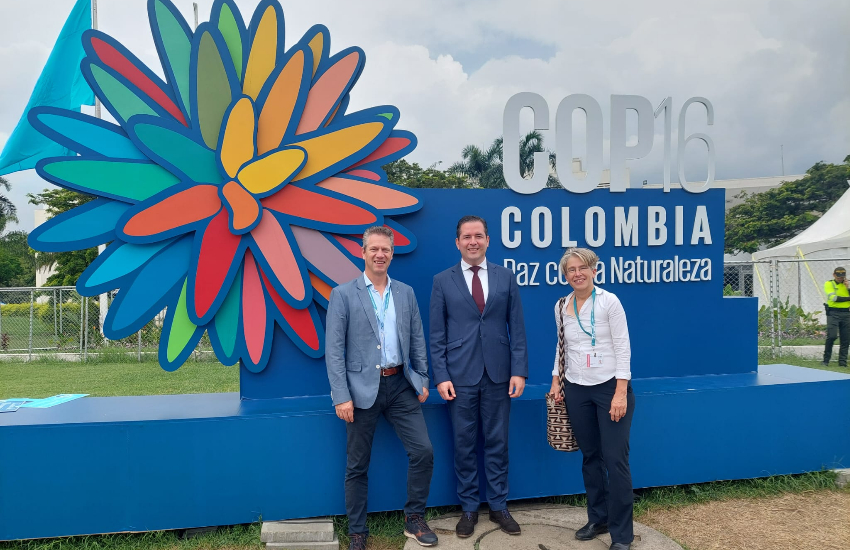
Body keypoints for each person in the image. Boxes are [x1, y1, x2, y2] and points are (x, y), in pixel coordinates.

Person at [325, 226, 438, 549]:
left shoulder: (405, 293)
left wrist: (423, 378)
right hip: (360, 392)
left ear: (392, 253)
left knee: (423, 451)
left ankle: (413, 517)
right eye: (373, 249)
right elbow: (333, 351)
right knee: (357, 465)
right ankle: (358, 531)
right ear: (362, 253)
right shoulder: (343, 294)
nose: (379, 255)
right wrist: (341, 395)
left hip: (401, 385)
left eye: (385, 250)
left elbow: (417, 338)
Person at [429, 215, 528, 538]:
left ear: (488, 240)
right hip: (459, 377)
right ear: (457, 243)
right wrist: (440, 375)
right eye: (467, 237)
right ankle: (469, 508)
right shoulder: (442, 280)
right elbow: (436, 334)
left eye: (479, 236)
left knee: (498, 443)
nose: (473, 241)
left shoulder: (506, 277)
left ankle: (499, 506)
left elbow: (518, 328)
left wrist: (519, 371)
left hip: (500, 375)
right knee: (464, 444)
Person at [549, 247, 635, 550]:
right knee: (590, 457)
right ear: (565, 275)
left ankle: (622, 535)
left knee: (615, 460)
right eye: (571, 270)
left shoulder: (609, 301)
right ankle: (597, 518)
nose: (577, 274)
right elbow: (562, 348)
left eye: (583, 268)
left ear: (594, 270)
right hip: (576, 388)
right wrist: (556, 382)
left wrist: (620, 392)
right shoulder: (561, 305)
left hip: (610, 388)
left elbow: (623, 347)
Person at [823, 266, 849, 368]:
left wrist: (848, 288)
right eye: (838, 276)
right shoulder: (829, 284)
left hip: (846, 314)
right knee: (832, 336)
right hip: (833, 313)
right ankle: (826, 360)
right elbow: (834, 298)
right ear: (834, 275)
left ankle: (842, 363)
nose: (840, 278)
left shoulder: (847, 284)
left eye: (842, 276)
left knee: (846, 339)